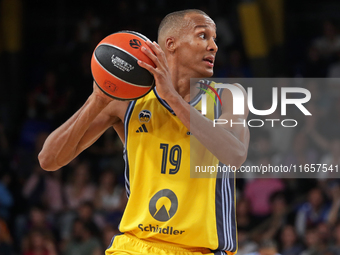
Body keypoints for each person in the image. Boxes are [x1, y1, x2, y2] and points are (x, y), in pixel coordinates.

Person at [38, 9, 249, 255]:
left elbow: (235, 154)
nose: (213, 46)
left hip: (201, 249)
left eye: (215, 39)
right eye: (203, 36)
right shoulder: (129, 101)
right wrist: (96, 100)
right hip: (136, 246)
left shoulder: (228, 95)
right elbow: (48, 160)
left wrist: (171, 97)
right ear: (171, 44)